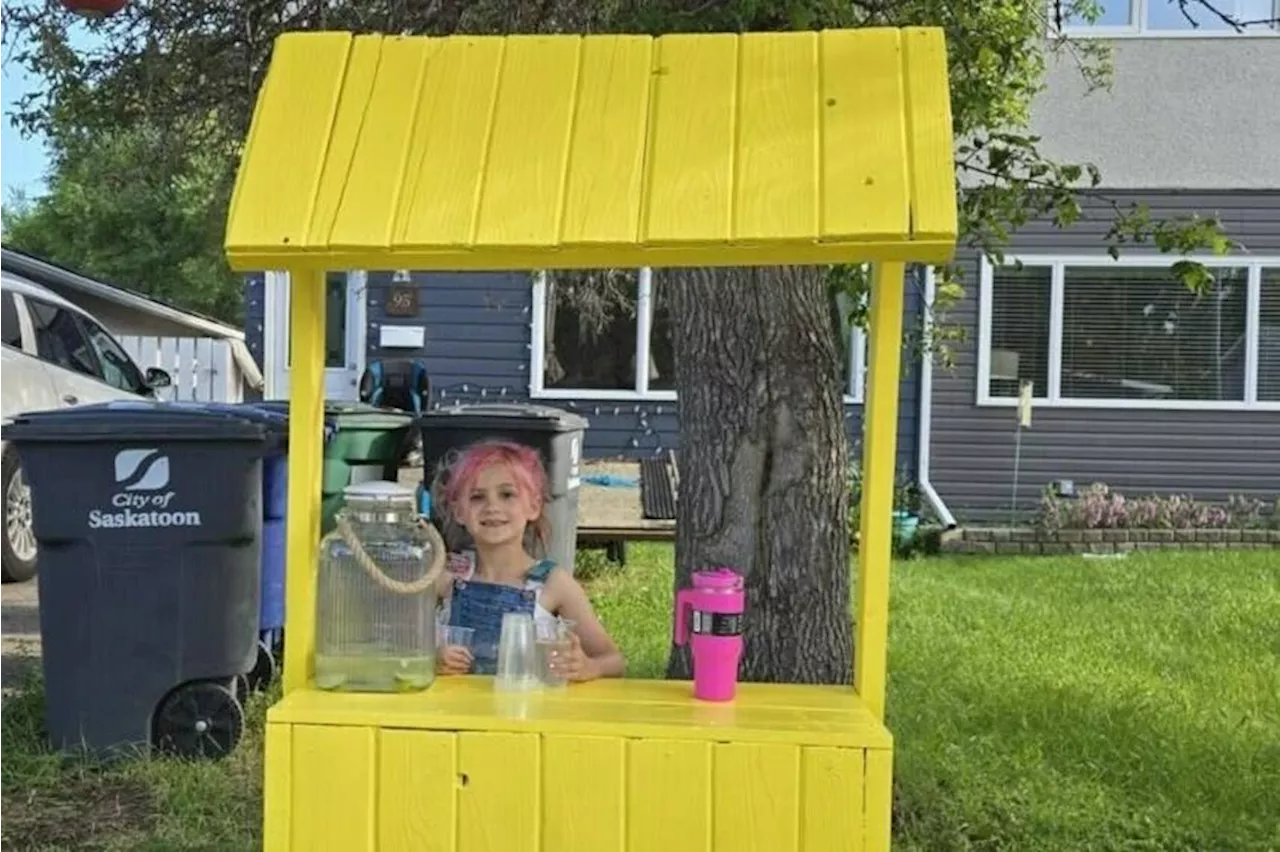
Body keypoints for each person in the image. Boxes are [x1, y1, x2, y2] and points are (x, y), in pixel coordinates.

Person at [430, 439, 624, 681]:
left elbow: (613, 661)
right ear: (459, 511)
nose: (492, 506)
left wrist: (587, 667)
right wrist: (431, 658)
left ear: (533, 506)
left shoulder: (553, 583)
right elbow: (397, 642)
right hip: (453, 715)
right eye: (477, 497)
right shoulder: (446, 575)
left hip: (526, 713)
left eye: (507, 494)